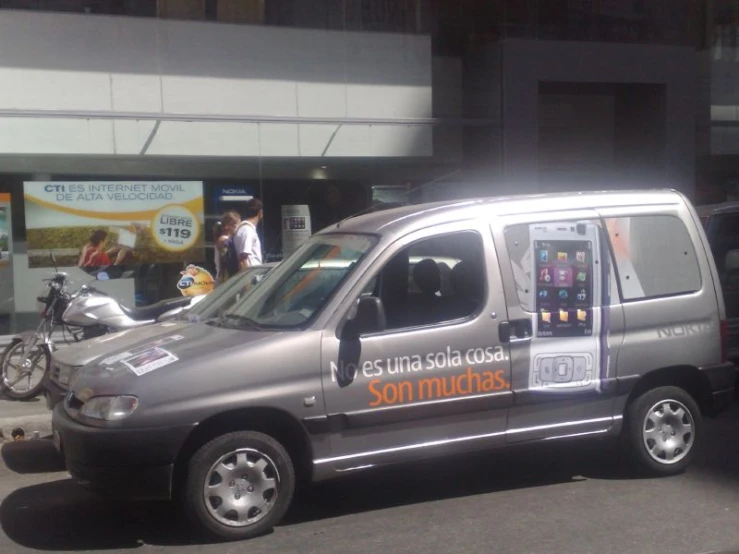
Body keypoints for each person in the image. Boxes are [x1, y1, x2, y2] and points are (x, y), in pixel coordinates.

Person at [233, 198, 264, 272]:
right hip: (252, 277)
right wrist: (247, 282)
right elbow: (243, 259)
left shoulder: (244, 229)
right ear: (260, 213)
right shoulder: (247, 230)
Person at [213, 211, 240, 284]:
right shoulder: (224, 239)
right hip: (225, 279)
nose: (238, 228)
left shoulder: (227, 238)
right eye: (235, 225)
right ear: (227, 226)